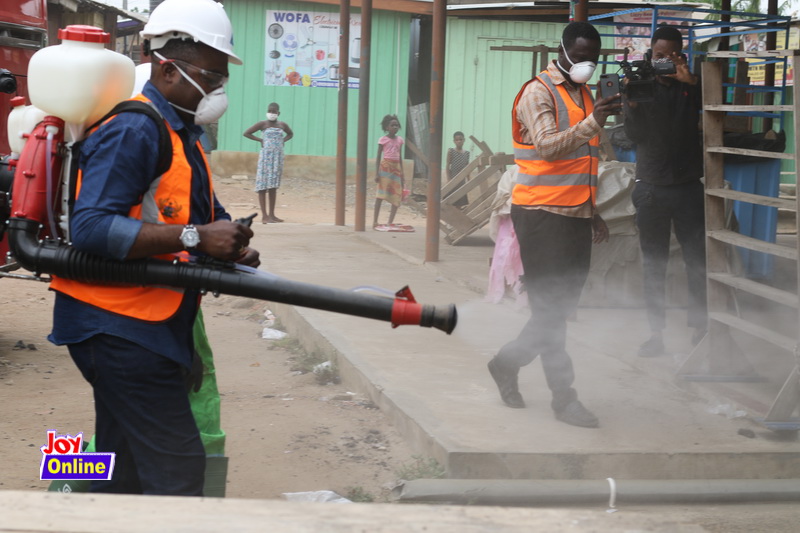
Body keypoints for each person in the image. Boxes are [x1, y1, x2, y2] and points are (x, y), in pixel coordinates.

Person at [47, 0, 260, 496]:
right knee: (179, 471)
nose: (216, 91)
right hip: (117, 327)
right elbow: (92, 228)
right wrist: (195, 238)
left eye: (221, 80)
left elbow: (200, 210)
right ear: (168, 69)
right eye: (211, 77)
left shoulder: (178, 131)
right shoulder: (135, 129)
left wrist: (229, 241)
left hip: (141, 322)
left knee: (118, 466)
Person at [486, 22, 620, 429]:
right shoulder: (538, 92)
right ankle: (565, 399)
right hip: (542, 215)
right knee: (551, 311)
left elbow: (582, 162)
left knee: (559, 309)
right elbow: (547, 147)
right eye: (579, 56)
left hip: (574, 213)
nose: (586, 65)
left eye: (592, 59)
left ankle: (505, 364)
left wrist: (591, 209)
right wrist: (594, 121)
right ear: (562, 50)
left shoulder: (581, 93)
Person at [623, 25, 706, 358]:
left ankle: (700, 327)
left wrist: (693, 83)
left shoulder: (691, 85)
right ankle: (655, 333)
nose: (664, 62)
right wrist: (632, 102)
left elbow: (717, 107)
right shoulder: (641, 86)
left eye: (671, 56)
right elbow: (633, 134)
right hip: (652, 188)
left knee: (697, 260)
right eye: (658, 56)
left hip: (687, 187)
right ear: (650, 54)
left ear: (681, 56)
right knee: (654, 263)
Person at [243, 102, 293, 224]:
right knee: (263, 186)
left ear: (278, 113)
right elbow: (246, 133)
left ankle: (272, 215)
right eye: (270, 111)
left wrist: (283, 141)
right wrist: (260, 140)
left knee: (273, 186)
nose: (271, 113)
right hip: (266, 157)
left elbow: (291, 134)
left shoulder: (282, 125)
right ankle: (264, 216)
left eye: (274, 111)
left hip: (277, 158)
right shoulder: (262, 124)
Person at [373, 114, 405, 228]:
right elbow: (378, 157)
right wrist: (376, 173)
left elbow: (400, 157)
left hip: (396, 170)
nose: (395, 127)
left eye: (397, 125)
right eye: (392, 125)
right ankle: (375, 221)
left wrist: (402, 174)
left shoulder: (400, 140)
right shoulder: (383, 140)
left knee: (396, 196)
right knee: (380, 195)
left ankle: (389, 222)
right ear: (387, 127)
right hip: (385, 168)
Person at [446, 131, 471, 208]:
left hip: (462, 181)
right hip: (453, 178)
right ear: (454, 141)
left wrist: (469, 179)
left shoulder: (467, 153)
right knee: (451, 199)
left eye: (461, 139)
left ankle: (458, 213)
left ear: (464, 140)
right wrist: (449, 179)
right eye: (457, 140)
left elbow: (467, 167)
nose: (459, 141)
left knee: (460, 200)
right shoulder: (451, 151)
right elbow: (447, 165)